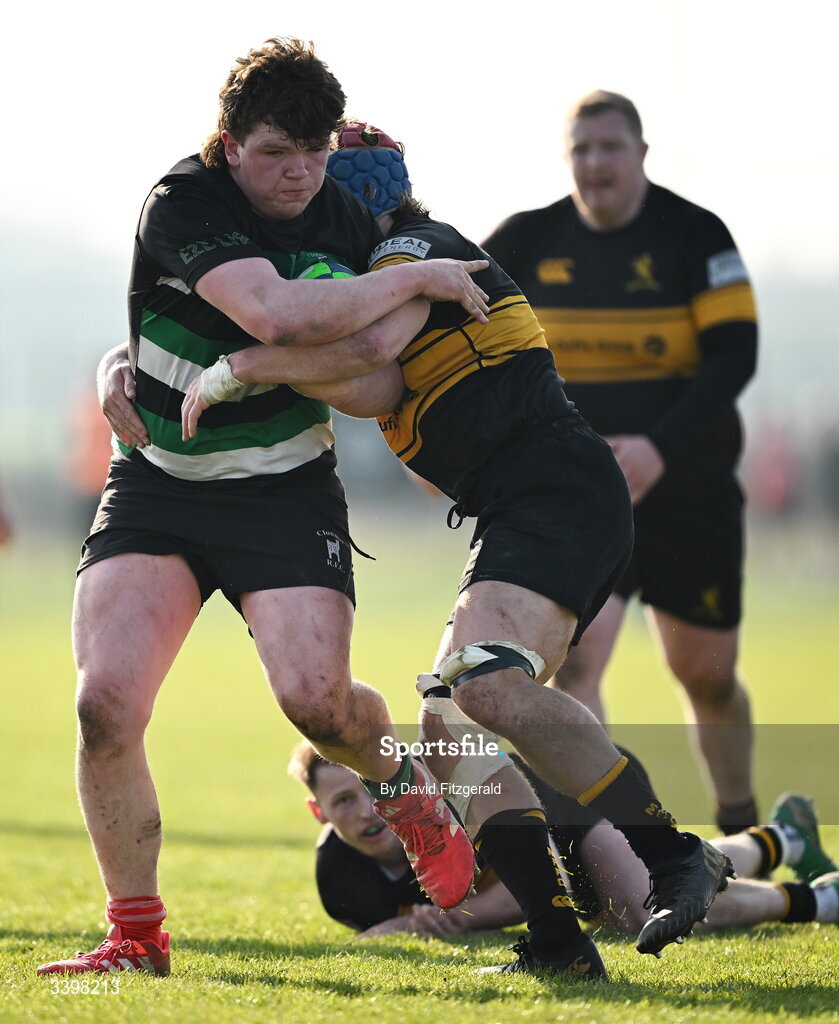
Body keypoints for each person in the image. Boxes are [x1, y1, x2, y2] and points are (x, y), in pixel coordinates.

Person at [182, 121, 739, 975]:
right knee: (448, 719)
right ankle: (558, 944)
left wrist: (241, 368)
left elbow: (367, 347)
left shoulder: (415, 247)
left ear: (353, 189)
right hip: (527, 506)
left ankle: (667, 854)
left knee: (482, 686)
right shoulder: (382, 283)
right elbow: (371, 382)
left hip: (557, 488)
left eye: (317, 182)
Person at [36, 39, 493, 979]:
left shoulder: (352, 217)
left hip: (283, 491)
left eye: (315, 150)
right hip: (157, 483)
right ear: (230, 143)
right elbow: (278, 315)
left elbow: (375, 381)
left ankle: (403, 787)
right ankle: (134, 936)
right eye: (276, 151)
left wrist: (355, 320)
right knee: (103, 706)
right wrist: (400, 287)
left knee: (317, 705)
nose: (298, 173)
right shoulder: (183, 199)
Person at [481, 91, 760, 837]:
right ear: (565, 158)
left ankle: (745, 825)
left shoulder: (695, 236)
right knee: (574, 667)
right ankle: (606, 851)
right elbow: (461, 344)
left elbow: (735, 357)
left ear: (640, 153)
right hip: (575, 497)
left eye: (609, 147)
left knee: (703, 674)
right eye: (581, 149)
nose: (595, 163)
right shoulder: (523, 240)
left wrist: (656, 448)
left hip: (686, 490)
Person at [289, 741, 839, 941]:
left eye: (370, 790)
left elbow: (529, 888)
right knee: (654, 888)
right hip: (553, 831)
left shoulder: (433, 801)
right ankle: (781, 838)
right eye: (342, 802)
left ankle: (821, 900)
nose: (367, 811)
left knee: (642, 907)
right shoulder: (340, 883)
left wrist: (433, 924)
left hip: (565, 799)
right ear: (319, 813)